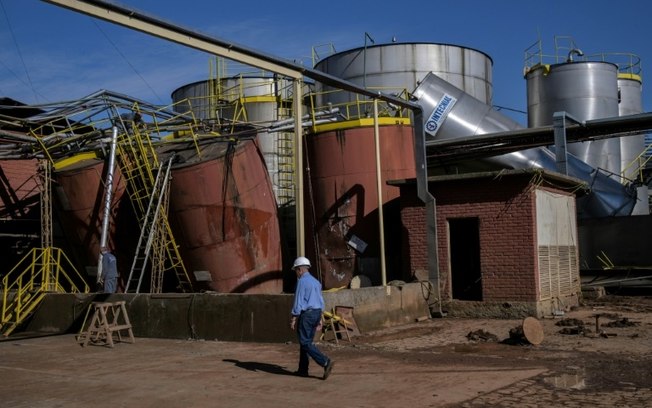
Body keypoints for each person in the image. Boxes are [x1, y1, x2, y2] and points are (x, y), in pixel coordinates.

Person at [289, 256, 334, 380]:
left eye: (296, 271)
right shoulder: (316, 282)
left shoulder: (302, 282)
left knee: (304, 342)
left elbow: (298, 301)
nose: (296, 273)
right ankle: (303, 370)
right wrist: (320, 317)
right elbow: (320, 301)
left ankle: (325, 362)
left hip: (307, 315)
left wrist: (294, 317)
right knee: (306, 342)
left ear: (300, 270)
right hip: (316, 313)